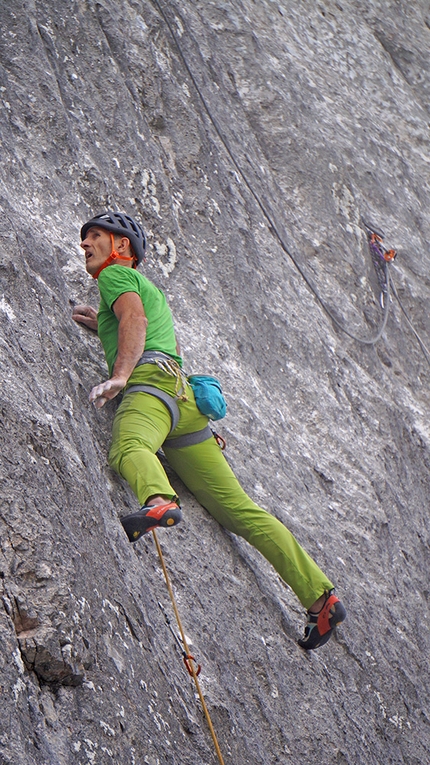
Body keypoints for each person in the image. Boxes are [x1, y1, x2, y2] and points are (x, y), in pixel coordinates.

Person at [72, 211, 346, 650]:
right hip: (185, 401)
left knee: (129, 446)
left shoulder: (113, 278)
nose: (84, 244)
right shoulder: (147, 289)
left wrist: (121, 374)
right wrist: (102, 327)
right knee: (239, 509)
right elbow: (152, 333)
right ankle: (321, 597)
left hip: (151, 388)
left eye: (95, 237)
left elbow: (134, 323)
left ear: (121, 247)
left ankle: (158, 502)